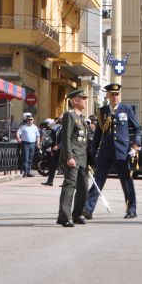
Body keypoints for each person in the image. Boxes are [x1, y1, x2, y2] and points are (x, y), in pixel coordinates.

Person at [84, 83, 142, 220]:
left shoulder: (126, 109)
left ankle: (131, 209)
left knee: (126, 181)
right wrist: (91, 153)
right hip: (105, 151)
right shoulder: (102, 111)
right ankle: (87, 208)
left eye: (117, 94)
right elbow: (98, 134)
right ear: (107, 95)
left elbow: (138, 128)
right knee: (98, 180)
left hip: (122, 151)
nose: (115, 97)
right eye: (112, 94)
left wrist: (135, 145)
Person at [56, 90, 90, 227]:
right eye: (83, 98)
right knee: (70, 186)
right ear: (74, 101)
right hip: (73, 156)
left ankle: (77, 214)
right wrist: (68, 156)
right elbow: (66, 138)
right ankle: (64, 216)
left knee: (84, 187)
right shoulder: (69, 116)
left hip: (83, 157)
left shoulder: (81, 117)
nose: (85, 100)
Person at [42, 117, 61, 187]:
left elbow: (67, 139)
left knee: (66, 167)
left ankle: (66, 182)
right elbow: (50, 127)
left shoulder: (66, 127)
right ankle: (50, 181)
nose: (60, 120)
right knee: (52, 165)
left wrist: (59, 146)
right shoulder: (56, 127)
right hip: (56, 149)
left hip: (64, 149)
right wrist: (52, 149)